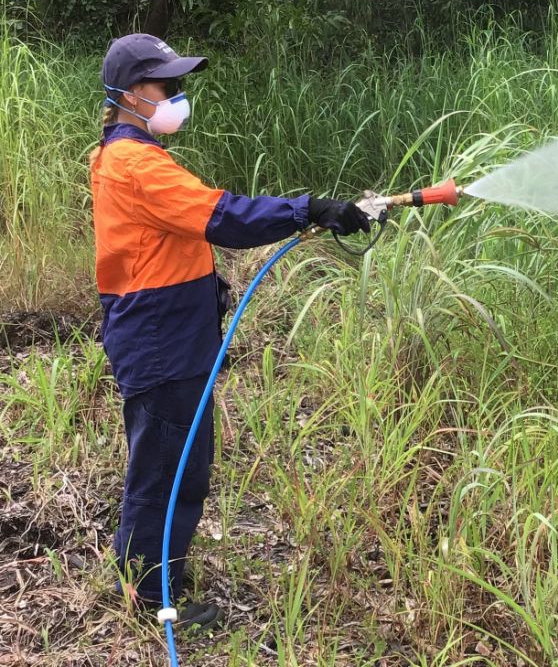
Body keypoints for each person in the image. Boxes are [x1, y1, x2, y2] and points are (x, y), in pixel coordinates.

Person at [90, 33, 369, 627]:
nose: (178, 95)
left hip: (170, 332)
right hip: (159, 338)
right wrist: (308, 208)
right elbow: (221, 217)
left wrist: (311, 211)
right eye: (167, 85)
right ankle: (148, 595)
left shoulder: (128, 153)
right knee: (166, 464)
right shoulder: (134, 162)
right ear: (132, 93)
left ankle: (157, 573)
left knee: (180, 458)